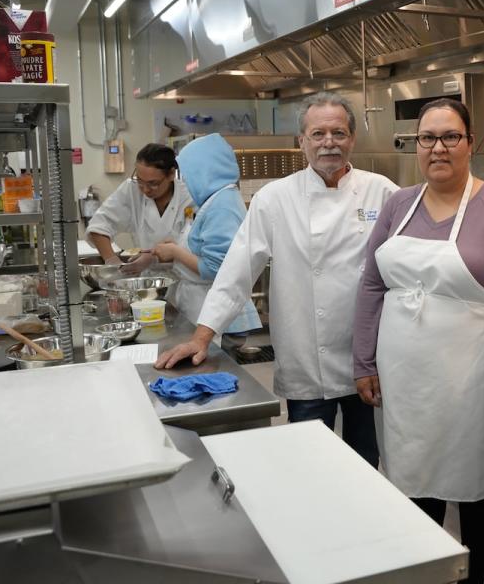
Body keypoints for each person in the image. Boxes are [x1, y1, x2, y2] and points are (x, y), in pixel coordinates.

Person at [352, 98, 484, 584]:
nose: (438, 148)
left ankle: (473, 577)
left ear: (469, 143)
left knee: (473, 485)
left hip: (472, 380)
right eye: (427, 138)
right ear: (417, 145)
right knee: (412, 480)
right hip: (404, 376)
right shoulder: (399, 204)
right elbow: (372, 283)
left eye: (449, 137)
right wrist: (364, 361)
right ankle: (426, 572)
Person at [155, 92, 398, 466]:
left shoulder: (383, 192)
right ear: (301, 141)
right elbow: (236, 270)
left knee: (365, 458)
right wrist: (202, 336)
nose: (328, 142)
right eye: (317, 134)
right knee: (308, 460)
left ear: (352, 139)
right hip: (306, 356)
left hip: (368, 359)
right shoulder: (276, 198)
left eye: (338, 133)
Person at [150, 133, 261, 334]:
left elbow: (216, 268)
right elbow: (205, 248)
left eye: (188, 174)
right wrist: (175, 247)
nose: (185, 181)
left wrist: (175, 252)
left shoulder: (222, 206)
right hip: (203, 307)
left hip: (218, 316)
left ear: (203, 171)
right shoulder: (215, 199)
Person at [86, 143, 194, 273]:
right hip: (146, 281)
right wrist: (112, 262)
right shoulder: (131, 189)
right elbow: (98, 227)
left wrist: (153, 258)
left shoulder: (189, 198)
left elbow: (196, 252)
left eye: (153, 183)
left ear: (171, 174)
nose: (145, 190)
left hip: (181, 279)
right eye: (140, 181)